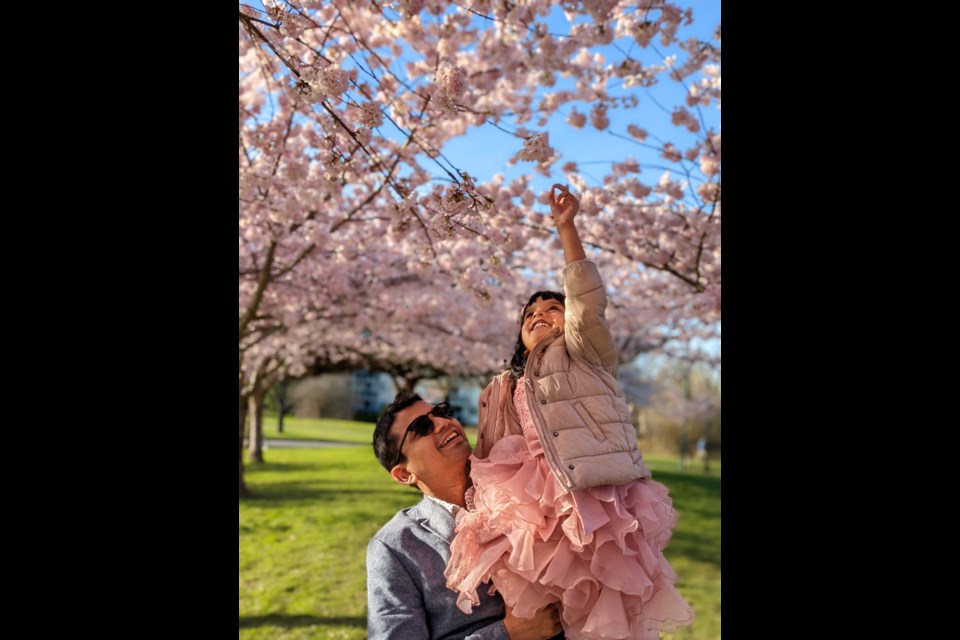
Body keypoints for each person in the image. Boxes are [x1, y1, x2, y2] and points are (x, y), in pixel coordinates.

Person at [443, 184, 694, 640]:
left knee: (599, 601)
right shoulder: (503, 384)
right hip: (530, 505)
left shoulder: (584, 351)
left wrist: (567, 229)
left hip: (588, 496)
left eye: (552, 308)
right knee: (540, 610)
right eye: (529, 314)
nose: (540, 314)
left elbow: (585, 300)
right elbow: (490, 450)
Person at [368, 392, 564, 640]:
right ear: (404, 474)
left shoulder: (525, 486)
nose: (442, 423)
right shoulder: (394, 548)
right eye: (422, 428)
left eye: (440, 412)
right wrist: (507, 634)